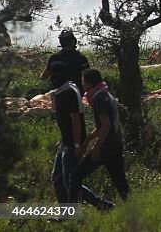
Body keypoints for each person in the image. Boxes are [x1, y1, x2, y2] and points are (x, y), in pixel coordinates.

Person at [49, 62, 108, 209]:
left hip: (72, 143)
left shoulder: (68, 92)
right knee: (58, 178)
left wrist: (77, 144)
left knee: (70, 180)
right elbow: (64, 120)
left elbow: (76, 120)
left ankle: (98, 205)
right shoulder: (62, 91)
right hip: (66, 142)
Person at [70, 69, 129, 206]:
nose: (83, 85)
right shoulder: (107, 95)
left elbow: (106, 125)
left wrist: (96, 148)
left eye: (84, 82)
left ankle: (70, 214)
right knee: (121, 184)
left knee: (75, 176)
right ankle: (132, 211)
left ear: (89, 83)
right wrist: (87, 140)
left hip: (106, 147)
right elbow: (102, 126)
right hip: (116, 144)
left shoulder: (98, 99)